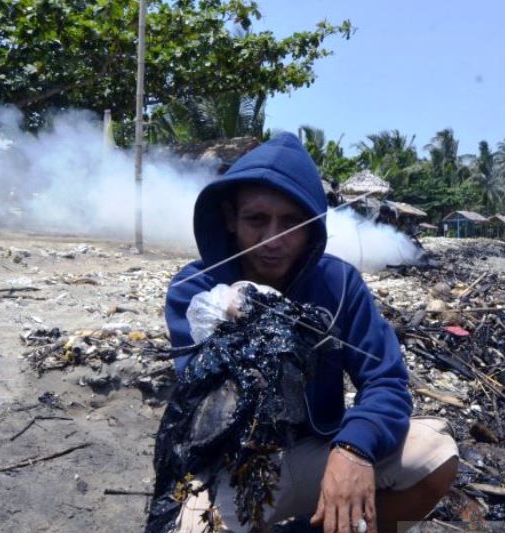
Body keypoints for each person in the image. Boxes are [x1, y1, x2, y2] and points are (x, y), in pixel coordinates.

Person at [165, 133, 458, 532]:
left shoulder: (339, 285)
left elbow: (386, 381)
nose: (272, 239)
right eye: (256, 220)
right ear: (230, 219)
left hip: (316, 448)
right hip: (227, 464)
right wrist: (226, 323)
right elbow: (199, 394)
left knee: (435, 453)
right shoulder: (195, 290)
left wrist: (354, 448)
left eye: (291, 222)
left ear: (314, 226)